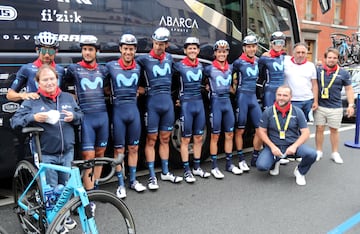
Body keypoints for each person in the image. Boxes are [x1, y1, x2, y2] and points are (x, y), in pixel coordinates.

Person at [10, 65, 83, 187]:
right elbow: (15, 121)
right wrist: (33, 117)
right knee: (52, 194)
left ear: (57, 80)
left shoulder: (67, 98)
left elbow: (81, 116)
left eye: (52, 79)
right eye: (45, 80)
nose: (49, 82)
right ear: (38, 83)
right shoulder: (32, 100)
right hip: (46, 155)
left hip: (67, 153)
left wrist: (74, 117)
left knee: (67, 190)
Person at [136, 27, 183, 190]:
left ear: (167, 45)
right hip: (152, 104)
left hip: (167, 104)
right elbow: (128, 71)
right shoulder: (143, 59)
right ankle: (151, 176)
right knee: (151, 140)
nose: (158, 47)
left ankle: (165, 172)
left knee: (165, 139)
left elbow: (182, 75)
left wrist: (180, 97)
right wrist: (138, 89)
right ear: (152, 42)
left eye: (161, 44)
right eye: (156, 43)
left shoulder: (170, 58)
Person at [62, 36, 110, 191]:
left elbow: (108, 89)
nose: (87, 53)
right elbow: (62, 88)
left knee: (100, 153)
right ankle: (88, 194)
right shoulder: (73, 69)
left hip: (102, 116)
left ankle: (95, 187)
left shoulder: (103, 70)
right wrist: (71, 98)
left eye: (90, 49)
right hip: (86, 118)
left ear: (97, 51)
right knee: (88, 157)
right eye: (84, 49)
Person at [106, 34, 147, 198]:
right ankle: (120, 184)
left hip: (133, 112)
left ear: (135, 50)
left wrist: (139, 91)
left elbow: (145, 87)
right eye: (125, 48)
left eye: (131, 49)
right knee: (119, 149)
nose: (128, 52)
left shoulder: (139, 67)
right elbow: (102, 86)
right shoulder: (111, 66)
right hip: (118, 113)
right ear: (120, 49)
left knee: (134, 148)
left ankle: (133, 180)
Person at [256, 85, 317, 185]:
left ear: (290, 97)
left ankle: (300, 172)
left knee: (312, 154)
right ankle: (276, 161)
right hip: (274, 146)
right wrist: (272, 147)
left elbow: (305, 133)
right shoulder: (268, 111)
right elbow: (261, 131)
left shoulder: (297, 112)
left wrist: (294, 146)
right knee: (261, 166)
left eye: (285, 95)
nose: (281, 98)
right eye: (279, 95)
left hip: (292, 145)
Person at [173, 37, 210, 183]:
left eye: (195, 48)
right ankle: (186, 170)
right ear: (185, 51)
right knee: (186, 138)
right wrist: (176, 98)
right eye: (190, 48)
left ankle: (197, 167)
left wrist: (207, 85)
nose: (192, 50)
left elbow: (208, 79)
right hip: (186, 105)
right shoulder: (179, 66)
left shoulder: (201, 66)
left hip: (199, 104)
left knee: (199, 137)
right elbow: (172, 82)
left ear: (198, 51)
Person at [204, 40, 242, 179]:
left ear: (227, 53)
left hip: (227, 102)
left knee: (230, 134)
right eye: (219, 51)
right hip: (215, 103)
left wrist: (235, 88)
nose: (222, 54)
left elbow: (235, 81)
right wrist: (206, 86)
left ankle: (229, 163)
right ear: (215, 53)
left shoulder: (231, 67)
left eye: (224, 51)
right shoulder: (209, 68)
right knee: (215, 135)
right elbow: (198, 80)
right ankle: (214, 166)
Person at [314, 47, 355, 164]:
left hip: (336, 106)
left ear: (338, 59)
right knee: (319, 128)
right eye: (330, 57)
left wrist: (351, 105)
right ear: (325, 58)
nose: (332, 60)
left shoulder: (343, 73)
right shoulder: (318, 70)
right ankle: (318, 151)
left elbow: (348, 89)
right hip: (320, 105)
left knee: (334, 130)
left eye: (334, 58)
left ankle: (335, 152)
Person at [258, 31, 290, 165]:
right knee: (269, 121)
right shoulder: (264, 58)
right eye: (276, 42)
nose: (279, 45)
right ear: (271, 43)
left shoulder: (285, 58)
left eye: (281, 42)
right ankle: (267, 150)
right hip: (270, 92)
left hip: (282, 93)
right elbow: (257, 74)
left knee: (282, 122)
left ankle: (280, 150)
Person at [232, 35, 263, 170]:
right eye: (249, 47)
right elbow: (227, 74)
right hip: (242, 97)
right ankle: (240, 159)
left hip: (252, 97)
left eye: (253, 46)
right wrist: (232, 89)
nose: (251, 49)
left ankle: (255, 156)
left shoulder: (258, 61)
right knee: (240, 129)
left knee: (260, 129)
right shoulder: (238, 62)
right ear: (244, 48)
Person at [7, 31, 64, 102]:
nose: (47, 55)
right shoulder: (27, 69)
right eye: (43, 51)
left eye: (51, 51)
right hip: (34, 109)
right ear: (37, 50)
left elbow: (66, 94)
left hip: (54, 109)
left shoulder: (61, 70)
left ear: (56, 52)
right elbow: (10, 95)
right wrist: (24, 95)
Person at [284, 42, 318, 121]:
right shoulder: (285, 62)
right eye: (298, 52)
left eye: (303, 53)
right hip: (292, 100)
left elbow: (314, 84)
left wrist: (315, 101)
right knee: (291, 125)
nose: (300, 55)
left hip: (308, 101)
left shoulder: (311, 66)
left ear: (306, 54)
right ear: (293, 53)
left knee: (304, 126)